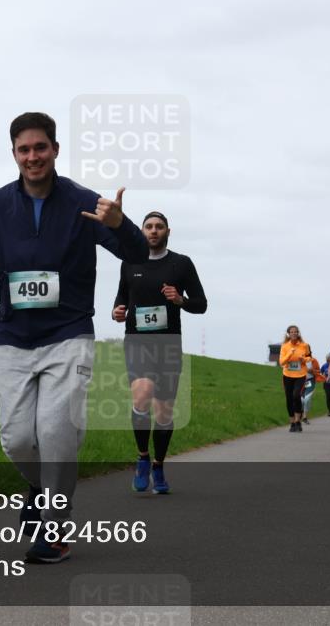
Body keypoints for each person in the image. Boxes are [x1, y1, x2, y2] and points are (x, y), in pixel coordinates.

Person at [0, 112, 149, 563]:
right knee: (16, 441)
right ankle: (41, 488)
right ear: (13, 154)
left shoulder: (83, 203)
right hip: (12, 340)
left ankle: (54, 529)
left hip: (68, 335)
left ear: (55, 149)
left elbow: (138, 254)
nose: (33, 156)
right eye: (24, 149)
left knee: (56, 433)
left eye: (40, 147)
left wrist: (120, 223)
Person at [112, 211, 207, 494]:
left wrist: (180, 300)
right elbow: (122, 297)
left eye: (159, 227)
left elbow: (201, 304)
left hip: (168, 344)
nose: (153, 231)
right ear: (142, 231)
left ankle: (158, 465)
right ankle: (142, 457)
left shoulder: (181, 263)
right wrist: (117, 311)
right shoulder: (129, 262)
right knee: (142, 395)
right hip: (137, 342)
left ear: (167, 232)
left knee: (164, 412)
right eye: (149, 227)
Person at [278, 325, 311, 432]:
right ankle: (292, 423)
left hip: (300, 375)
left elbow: (309, 357)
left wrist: (303, 359)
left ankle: (298, 421)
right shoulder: (284, 346)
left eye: (296, 331)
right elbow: (281, 362)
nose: (294, 333)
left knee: (296, 396)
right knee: (289, 399)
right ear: (288, 334)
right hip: (287, 375)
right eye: (292, 332)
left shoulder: (304, 345)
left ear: (298, 333)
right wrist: (289, 354)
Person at [301, 351, 322, 424]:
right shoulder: (299, 360)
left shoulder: (314, 361)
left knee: (307, 399)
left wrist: (312, 371)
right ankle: (300, 415)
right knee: (301, 399)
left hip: (310, 381)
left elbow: (318, 371)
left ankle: (305, 417)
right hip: (301, 381)